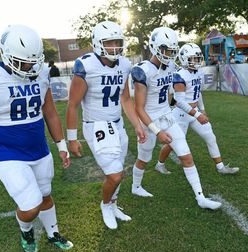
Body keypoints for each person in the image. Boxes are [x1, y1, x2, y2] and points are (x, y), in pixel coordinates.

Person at [0, 25, 73, 252]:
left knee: (45, 194)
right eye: (23, 61)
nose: (30, 67)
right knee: (30, 205)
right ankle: (26, 230)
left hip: (39, 148)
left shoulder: (41, 72)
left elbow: (50, 112)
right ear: (5, 54)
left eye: (34, 61)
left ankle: (53, 232)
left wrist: (61, 145)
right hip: (8, 152)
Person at [66, 21, 146, 230]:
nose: (114, 48)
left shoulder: (124, 64)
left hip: (117, 124)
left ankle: (113, 204)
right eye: (109, 43)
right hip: (96, 125)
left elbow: (126, 99)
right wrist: (72, 138)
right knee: (115, 174)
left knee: (119, 170)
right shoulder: (86, 65)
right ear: (97, 43)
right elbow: (73, 104)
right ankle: (105, 205)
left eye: (117, 42)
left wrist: (137, 125)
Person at [130, 27, 221, 210]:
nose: (169, 54)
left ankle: (200, 198)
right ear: (155, 47)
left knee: (186, 156)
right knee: (144, 158)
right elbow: (138, 108)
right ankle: (136, 186)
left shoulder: (172, 66)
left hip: (167, 115)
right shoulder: (142, 70)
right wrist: (157, 132)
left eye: (172, 51)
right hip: (148, 119)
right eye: (166, 50)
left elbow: (179, 89)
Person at [155, 43, 239, 175]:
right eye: (193, 58)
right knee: (172, 143)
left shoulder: (198, 72)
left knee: (210, 137)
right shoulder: (179, 76)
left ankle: (221, 167)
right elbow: (179, 101)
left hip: (194, 112)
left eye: (198, 58)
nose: (197, 61)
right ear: (184, 58)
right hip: (181, 114)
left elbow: (197, 92)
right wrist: (197, 114)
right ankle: (160, 164)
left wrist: (202, 109)